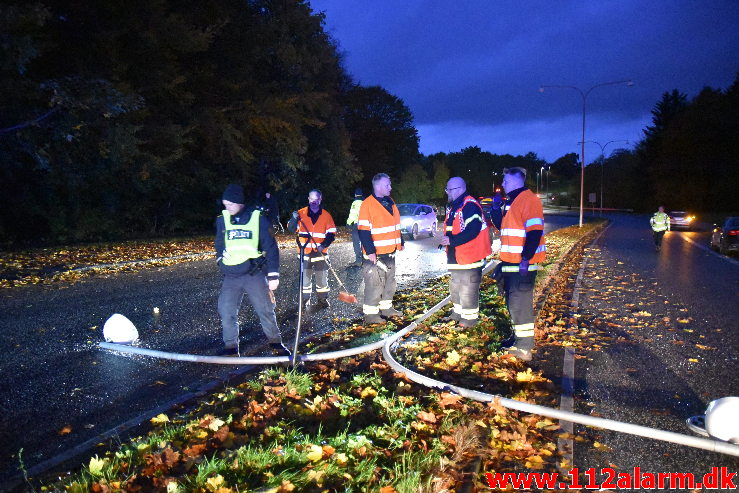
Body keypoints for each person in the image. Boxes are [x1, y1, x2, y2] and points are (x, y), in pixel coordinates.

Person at [215, 184, 290, 356]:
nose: (227, 207)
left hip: (253, 273)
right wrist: (220, 259)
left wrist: (273, 275)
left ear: (239, 202)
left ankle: (276, 343)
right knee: (226, 311)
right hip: (231, 275)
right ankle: (231, 347)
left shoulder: (258, 218)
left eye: (230, 204)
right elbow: (219, 242)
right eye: (225, 204)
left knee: (265, 309)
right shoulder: (223, 219)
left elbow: (270, 246)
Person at [490, 167, 546, 361]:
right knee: (512, 303)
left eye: (505, 181)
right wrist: (496, 209)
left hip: (521, 263)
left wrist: (525, 259)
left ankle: (524, 347)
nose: (502, 184)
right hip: (510, 261)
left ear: (516, 181)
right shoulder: (511, 201)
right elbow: (501, 226)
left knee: (519, 304)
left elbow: (534, 232)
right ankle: (517, 338)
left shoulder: (529, 200)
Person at [439, 177, 492, 328]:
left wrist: (451, 241)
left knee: (468, 289)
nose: (447, 192)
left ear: (460, 189)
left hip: (470, 257)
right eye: (447, 189)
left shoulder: (469, 206)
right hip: (458, 256)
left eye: (449, 189)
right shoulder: (457, 205)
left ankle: (469, 320)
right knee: (455, 287)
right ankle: (458, 313)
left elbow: (473, 230)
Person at [358, 173, 404, 324]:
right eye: (387, 185)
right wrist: (370, 252)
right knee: (374, 285)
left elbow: (395, 225)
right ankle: (371, 315)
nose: (390, 188)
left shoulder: (390, 202)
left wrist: (400, 241)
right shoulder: (367, 204)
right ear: (377, 186)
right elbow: (363, 230)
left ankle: (387, 308)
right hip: (375, 255)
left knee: (390, 283)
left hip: (390, 252)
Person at [287, 189, 336, 310]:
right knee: (305, 280)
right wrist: (294, 219)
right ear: (308, 199)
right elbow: (292, 229)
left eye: (317, 199)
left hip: (320, 253)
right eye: (312, 199)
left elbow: (331, 234)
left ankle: (323, 300)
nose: (314, 201)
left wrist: (323, 245)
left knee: (322, 279)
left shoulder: (326, 215)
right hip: (305, 253)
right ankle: (304, 301)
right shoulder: (300, 214)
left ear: (320, 199)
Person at [346, 188, 364, 267]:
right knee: (365, 242)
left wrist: (348, 223)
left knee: (356, 243)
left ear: (355, 195)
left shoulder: (355, 203)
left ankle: (359, 260)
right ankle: (366, 260)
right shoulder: (365, 202)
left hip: (358, 225)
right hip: (366, 226)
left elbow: (353, 214)